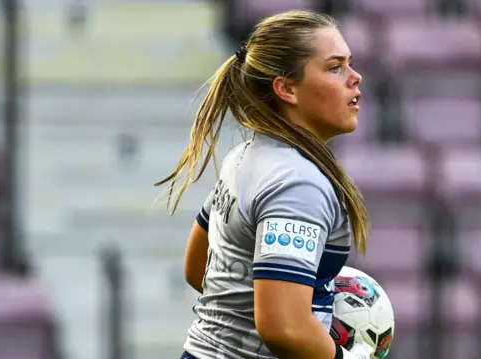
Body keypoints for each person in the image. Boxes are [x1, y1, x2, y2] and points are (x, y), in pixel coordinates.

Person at [156, 10, 373, 359]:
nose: (355, 77)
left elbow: (198, 269)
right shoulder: (297, 184)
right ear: (286, 88)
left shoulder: (244, 157)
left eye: (350, 64)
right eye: (335, 67)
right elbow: (283, 327)